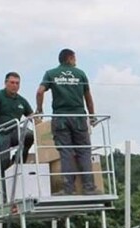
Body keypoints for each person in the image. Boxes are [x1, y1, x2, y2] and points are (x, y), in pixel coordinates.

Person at [36, 48, 97, 194]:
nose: (75, 61)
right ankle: (89, 187)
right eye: (74, 58)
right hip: (79, 118)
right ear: (69, 58)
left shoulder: (51, 73)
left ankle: (68, 189)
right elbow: (88, 97)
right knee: (84, 151)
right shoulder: (80, 74)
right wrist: (92, 116)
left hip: (60, 118)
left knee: (66, 152)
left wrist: (39, 109)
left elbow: (39, 91)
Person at [0, 72, 35, 172]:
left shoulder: (22, 101)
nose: (15, 85)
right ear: (6, 83)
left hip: (14, 131)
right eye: (12, 82)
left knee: (29, 135)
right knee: (3, 163)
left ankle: (17, 161)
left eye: (17, 83)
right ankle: (4, 178)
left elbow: (32, 116)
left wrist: (44, 127)